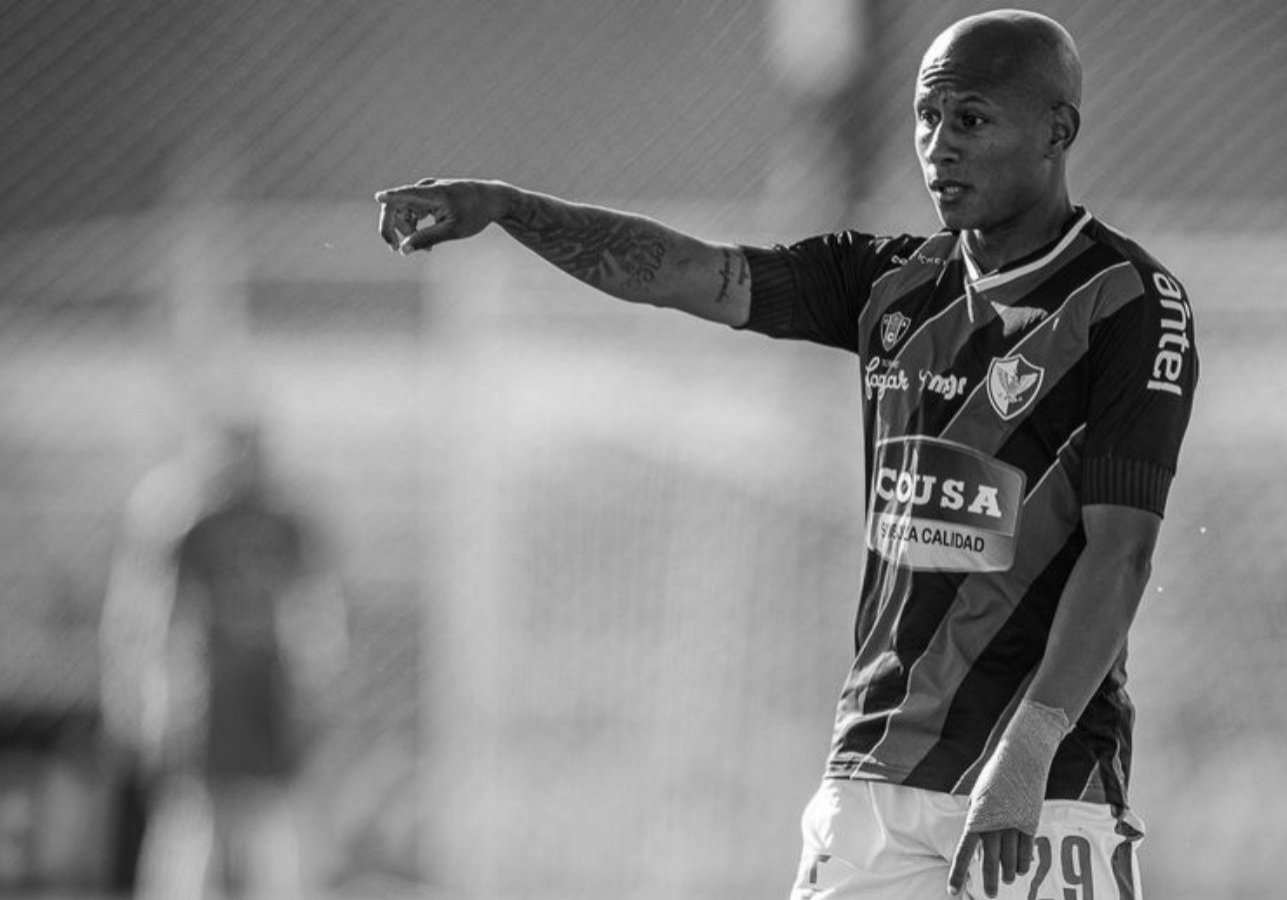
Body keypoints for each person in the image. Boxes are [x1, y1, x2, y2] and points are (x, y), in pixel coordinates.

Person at [375, 9, 1196, 898]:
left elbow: (1123, 551)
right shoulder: (888, 284)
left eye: (971, 119)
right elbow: (682, 272)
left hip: (1045, 787)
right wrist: (507, 207)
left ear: (1057, 130)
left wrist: (1028, 752)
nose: (939, 145)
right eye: (927, 117)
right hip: (874, 776)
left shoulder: (1127, 302)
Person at [101, 417, 346, 900]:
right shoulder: (186, 521)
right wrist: (155, 695)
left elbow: (315, 610)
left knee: (268, 819)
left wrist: (315, 684)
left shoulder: (283, 523)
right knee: (196, 816)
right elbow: (154, 617)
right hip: (204, 692)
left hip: (265, 689)